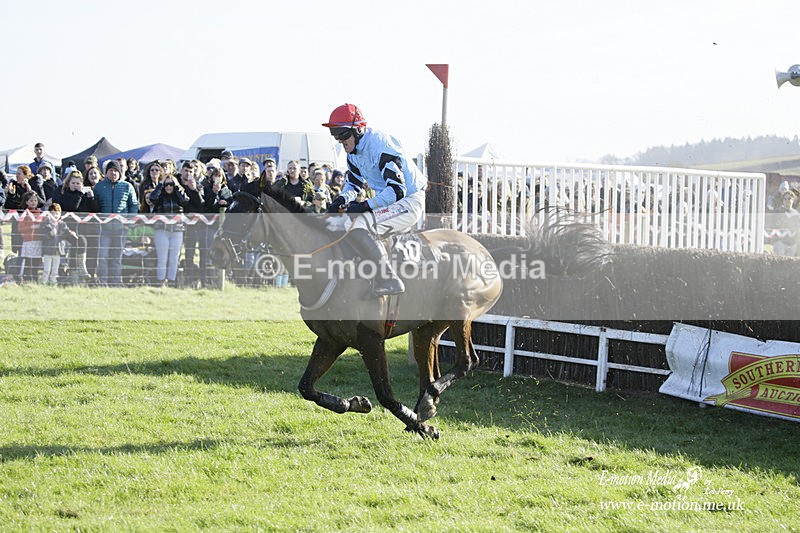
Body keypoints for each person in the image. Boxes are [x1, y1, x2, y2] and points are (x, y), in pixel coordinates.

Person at [322, 103, 427, 296]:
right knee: (336, 224)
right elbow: (354, 185)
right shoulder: (353, 155)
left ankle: (390, 280)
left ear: (359, 130)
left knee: (359, 225)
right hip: (391, 202)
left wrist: (364, 206)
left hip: (409, 201)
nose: (340, 140)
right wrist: (341, 200)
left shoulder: (381, 146)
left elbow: (397, 191)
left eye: (343, 134)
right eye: (335, 134)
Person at [93, 160, 138, 286]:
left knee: (116, 258)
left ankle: (115, 283)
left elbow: (133, 206)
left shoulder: (127, 186)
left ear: (120, 172)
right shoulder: (99, 186)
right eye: (110, 170)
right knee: (102, 257)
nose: (113, 173)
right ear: (106, 172)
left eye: (115, 171)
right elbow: (94, 206)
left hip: (121, 228)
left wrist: (128, 223)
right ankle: (102, 282)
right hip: (104, 229)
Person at [52, 171, 95, 284]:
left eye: (78, 183)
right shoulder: (61, 192)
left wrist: (91, 198)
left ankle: (78, 275)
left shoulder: (83, 194)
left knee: (80, 243)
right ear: (68, 182)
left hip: (80, 228)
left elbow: (91, 210)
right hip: (63, 228)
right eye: (73, 183)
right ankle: (77, 272)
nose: (76, 185)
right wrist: (79, 194)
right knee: (67, 253)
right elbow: (72, 206)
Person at [149, 176, 189, 286]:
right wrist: (160, 184)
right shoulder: (160, 195)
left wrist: (177, 186)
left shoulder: (178, 195)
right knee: (162, 258)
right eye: (166, 184)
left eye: (171, 184)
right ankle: (160, 281)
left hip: (177, 230)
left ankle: (172, 281)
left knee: (174, 258)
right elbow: (152, 198)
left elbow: (185, 200)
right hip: (162, 229)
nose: (169, 187)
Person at [39, 203, 75, 285]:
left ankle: (53, 282)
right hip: (47, 251)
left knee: (55, 269)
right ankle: (44, 282)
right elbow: (42, 236)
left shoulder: (62, 224)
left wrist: (71, 233)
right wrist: (49, 234)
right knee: (47, 269)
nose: (55, 215)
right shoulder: (45, 224)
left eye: (57, 213)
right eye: (53, 213)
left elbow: (67, 232)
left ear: (60, 214)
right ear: (49, 214)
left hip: (58, 251)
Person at [17, 190, 43, 281]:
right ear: (27, 202)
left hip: (38, 240)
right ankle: (26, 278)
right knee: (28, 262)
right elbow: (20, 228)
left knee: (36, 262)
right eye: (31, 200)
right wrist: (32, 226)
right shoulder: (25, 213)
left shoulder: (40, 213)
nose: (33, 202)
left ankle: (35, 280)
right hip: (28, 241)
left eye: (35, 200)